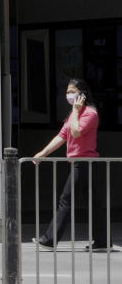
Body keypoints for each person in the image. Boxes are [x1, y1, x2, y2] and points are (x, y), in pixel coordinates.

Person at [32, 78, 111, 251]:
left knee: (65, 200)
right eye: (67, 91)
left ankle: (49, 240)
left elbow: (75, 132)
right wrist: (42, 154)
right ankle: (103, 241)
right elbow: (62, 136)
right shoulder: (73, 114)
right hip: (80, 162)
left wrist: (75, 110)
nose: (69, 95)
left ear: (82, 94)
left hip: (84, 162)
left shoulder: (90, 113)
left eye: (72, 91)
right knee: (94, 203)